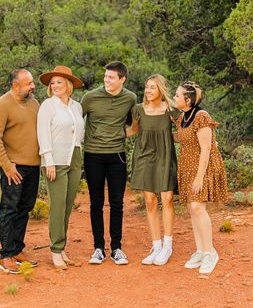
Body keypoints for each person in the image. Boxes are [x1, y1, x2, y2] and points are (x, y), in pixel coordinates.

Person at [0, 68, 40, 274]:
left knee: (25, 208)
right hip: (14, 168)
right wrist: (7, 166)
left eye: (32, 82)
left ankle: (17, 249)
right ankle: (6, 255)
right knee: (9, 209)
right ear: (16, 85)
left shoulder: (34, 104)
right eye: (29, 83)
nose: (33, 86)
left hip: (33, 166)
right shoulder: (2, 105)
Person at [81, 61, 137, 265]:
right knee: (95, 202)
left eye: (111, 77)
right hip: (93, 155)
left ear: (122, 79)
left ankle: (116, 248)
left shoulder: (130, 98)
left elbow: (133, 125)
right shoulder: (90, 97)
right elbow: (76, 121)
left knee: (117, 203)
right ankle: (98, 248)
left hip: (117, 155)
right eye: (105, 76)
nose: (107, 80)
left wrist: (120, 135)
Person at [172, 81, 228, 275]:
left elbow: (206, 148)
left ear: (188, 100)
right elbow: (181, 137)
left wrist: (199, 177)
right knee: (191, 208)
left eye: (177, 95)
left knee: (197, 207)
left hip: (202, 167)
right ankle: (200, 250)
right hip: (187, 166)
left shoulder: (201, 116)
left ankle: (210, 252)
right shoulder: (182, 117)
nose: (174, 98)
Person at [37, 66, 85, 270]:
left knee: (67, 205)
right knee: (57, 206)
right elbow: (43, 133)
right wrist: (48, 159)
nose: (55, 85)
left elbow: (78, 133)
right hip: (55, 160)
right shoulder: (48, 105)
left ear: (69, 85)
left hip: (74, 157)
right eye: (53, 82)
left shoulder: (76, 106)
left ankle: (62, 248)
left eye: (59, 82)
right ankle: (55, 250)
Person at [127, 75, 177, 266]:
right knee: (149, 201)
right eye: (146, 87)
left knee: (167, 198)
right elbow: (133, 130)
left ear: (161, 90)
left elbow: (184, 129)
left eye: (152, 88)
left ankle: (168, 245)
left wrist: (203, 133)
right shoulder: (138, 109)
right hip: (144, 157)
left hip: (165, 157)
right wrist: (105, 134)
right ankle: (156, 246)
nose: (148, 91)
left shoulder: (171, 110)